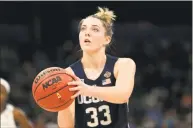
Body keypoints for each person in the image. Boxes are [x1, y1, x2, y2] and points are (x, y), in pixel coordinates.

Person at [58, 7, 136, 128]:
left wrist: (86, 89)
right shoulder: (68, 74)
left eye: (95, 29)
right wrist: (61, 103)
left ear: (107, 39)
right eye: (83, 29)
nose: (87, 32)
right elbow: (66, 126)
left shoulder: (123, 65)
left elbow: (122, 94)